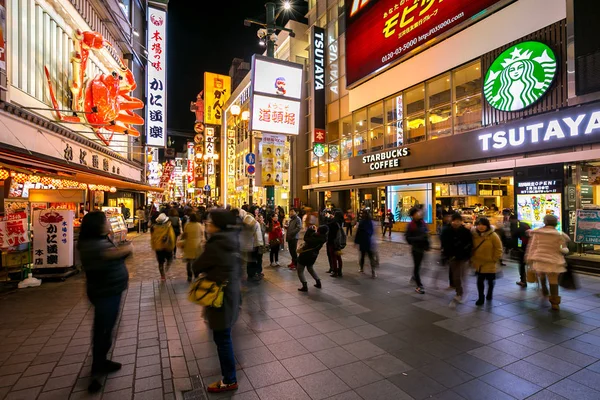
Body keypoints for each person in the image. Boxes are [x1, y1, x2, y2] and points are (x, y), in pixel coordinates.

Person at [77, 211, 132, 393]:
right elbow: (107, 257)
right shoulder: (93, 245)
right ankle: (97, 370)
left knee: (108, 327)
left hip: (109, 291)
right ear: (97, 226)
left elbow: (111, 255)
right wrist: (124, 251)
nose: (109, 224)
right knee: (103, 329)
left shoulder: (98, 240)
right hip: (105, 292)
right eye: (106, 221)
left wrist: (119, 253)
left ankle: (102, 361)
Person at [192, 210, 241, 393]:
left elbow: (197, 266)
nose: (207, 223)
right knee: (224, 336)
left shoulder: (215, 244)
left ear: (218, 225)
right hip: (230, 294)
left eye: (210, 221)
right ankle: (230, 377)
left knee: (222, 338)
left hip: (219, 297)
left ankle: (229, 380)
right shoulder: (231, 238)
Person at [525, 215, 570, 310]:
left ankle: (544, 288)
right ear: (555, 223)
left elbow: (532, 246)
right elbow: (563, 248)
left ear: (545, 222)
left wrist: (528, 258)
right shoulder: (559, 234)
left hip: (539, 258)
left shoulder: (537, 233)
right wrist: (565, 251)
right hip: (553, 260)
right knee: (553, 280)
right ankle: (555, 303)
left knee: (541, 274)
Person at [441, 213, 473, 304]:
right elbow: (444, 244)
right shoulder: (447, 231)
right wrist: (447, 254)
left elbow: (470, 243)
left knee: (463, 275)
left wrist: (467, 253)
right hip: (453, 257)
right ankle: (459, 292)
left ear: (461, 221)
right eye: (454, 221)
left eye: (458, 221)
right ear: (452, 221)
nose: (456, 223)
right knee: (456, 276)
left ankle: (462, 292)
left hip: (463, 257)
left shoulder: (465, 231)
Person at [471, 217, 503, 306]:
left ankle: (490, 292)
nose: (481, 227)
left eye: (483, 225)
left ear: (487, 226)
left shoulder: (493, 235)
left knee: (490, 280)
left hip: (490, 263)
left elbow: (498, 248)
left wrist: (494, 259)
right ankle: (481, 297)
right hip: (479, 263)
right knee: (480, 281)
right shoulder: (474, 235)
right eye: (479, 225)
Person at [405, 207, 430, 294]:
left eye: (418, 212)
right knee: (417, 267)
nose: (418, 214)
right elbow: (408, 238)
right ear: (413, 215)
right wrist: (419, 239)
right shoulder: (411, 225)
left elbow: (426, 234)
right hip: (416, 249)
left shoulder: (422, 223)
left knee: (423, 267)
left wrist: (427, 244)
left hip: (422, 248)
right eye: (416, 213)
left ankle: (415, 277)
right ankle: (419, 286)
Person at [296, 225, 327, 291]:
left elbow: (306, 238)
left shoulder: (316, 237)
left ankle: (304, 286)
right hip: (314, 255)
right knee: (310, 268)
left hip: (305, 255)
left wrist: (310, 229)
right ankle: (318, 282)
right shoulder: (323, 238)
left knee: (300, 270)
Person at [239, 210, 264, 281]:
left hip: (254, 243)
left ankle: (253, 274)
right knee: (252, 260)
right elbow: (250, 228)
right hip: (253, 244)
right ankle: (251, 275)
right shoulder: (248, 218)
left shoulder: (250, 220)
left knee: (253, 259)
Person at [151, 213, 176, 280]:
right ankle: (167, 268)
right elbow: (172, 236)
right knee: (170, 259)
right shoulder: (168, 226)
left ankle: (162, 276)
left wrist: (153, 245)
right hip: (167, 246)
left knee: (160, 262)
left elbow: (153, 237)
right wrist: (173, 245)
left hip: (158, 247)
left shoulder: (154, 227)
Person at [182, 213, 206, 282]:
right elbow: (202, 234)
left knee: (189, 261)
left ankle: (189, 276)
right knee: (196, 261)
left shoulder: (187, 225)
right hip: (197, 245)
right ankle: (196, 274)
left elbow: (185, 234)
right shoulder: (199, 225)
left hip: (188, 244)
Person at [354, 210, 378, 278]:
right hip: (368, 241)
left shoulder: (362, 222)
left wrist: (356, 242)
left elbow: (358, 233)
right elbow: (371, 231)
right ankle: (373, 271)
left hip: (364, 241)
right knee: (370, 257)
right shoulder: (370, 222)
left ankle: (362, 268)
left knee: (363, 256)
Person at [509, 215, 531, 288]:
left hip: (522, 247)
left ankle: (523, 281)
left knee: (521, 264)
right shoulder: (525, 224)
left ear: (512, 220)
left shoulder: (516, 226)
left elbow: (517, 238)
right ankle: (536, 280)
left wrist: (519, 247)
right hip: (529, 246)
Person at [326, 211, 345, 277]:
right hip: (338, 242)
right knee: (338, 257)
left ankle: (335, 271)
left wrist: (328, 218)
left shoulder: (333, 223)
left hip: (332, 242)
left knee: (333, 257)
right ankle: (339, 271)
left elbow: (327, 226)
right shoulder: (340, 223)